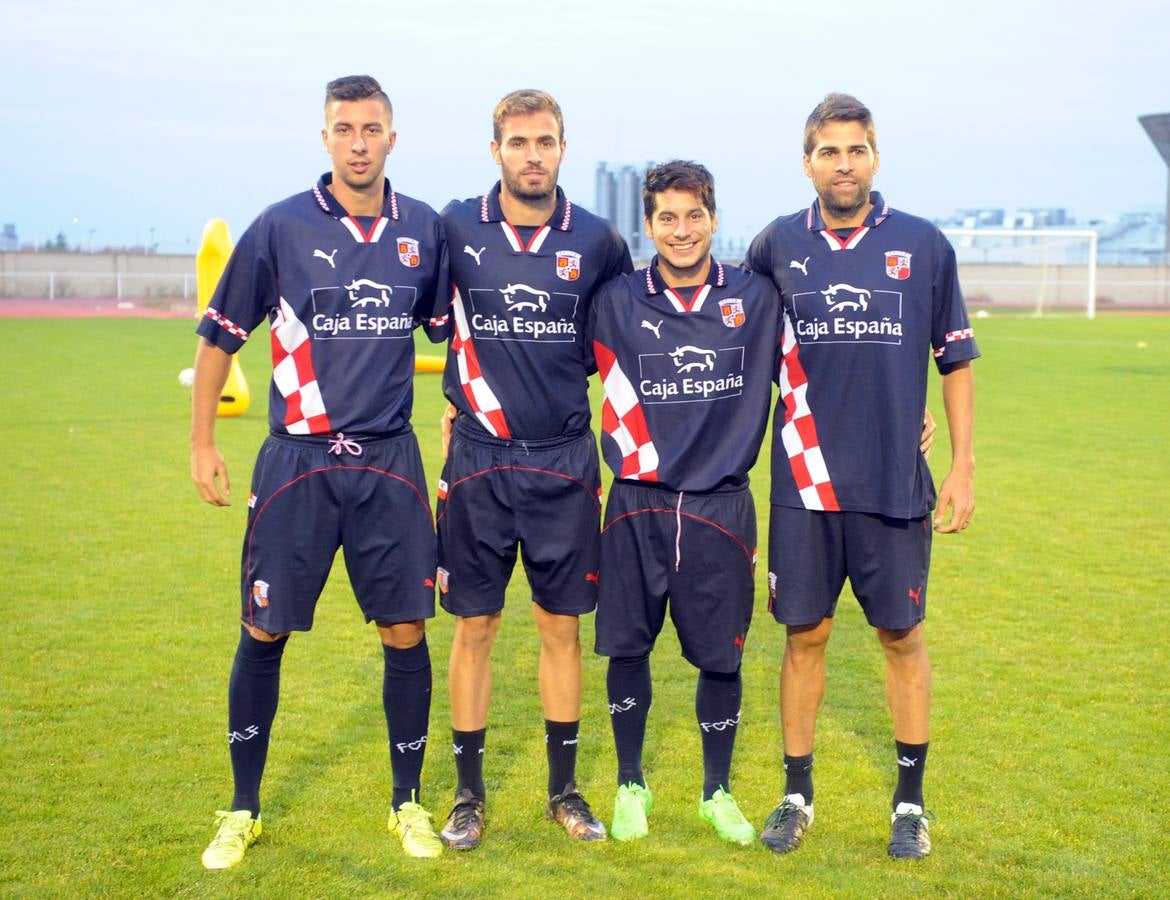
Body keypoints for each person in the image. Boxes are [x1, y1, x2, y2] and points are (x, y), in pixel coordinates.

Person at [190, 75, 451, 868]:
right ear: (327, 137)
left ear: (392, 138)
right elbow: (218, 339)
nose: (360, 142)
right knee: (263, 628)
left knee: (404, 629)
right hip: (297, 461)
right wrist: (203, 443)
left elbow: (458, 338)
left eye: (373, 128)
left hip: (388, 463)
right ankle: (241, 808)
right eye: (345, 128)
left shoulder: (424, 231)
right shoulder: (282, 226)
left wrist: (458, 411)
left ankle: (407, 802)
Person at [746, 92, 978, 860]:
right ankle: (795, 794)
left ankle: (910, 806)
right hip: (805, 483)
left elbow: (955, 360)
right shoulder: (776, 245)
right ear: (806, 160)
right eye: (827, 152)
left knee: (901, 636)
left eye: (855, 150)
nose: (842, 165)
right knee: (804, 635)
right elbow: (731, 345)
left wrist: (962, 465)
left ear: (875, 156)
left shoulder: (922, 243)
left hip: (891, 480)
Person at [433, 89, 632, 850]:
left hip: (564, 462)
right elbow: (401, 309)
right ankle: (469, 796)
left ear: (563, 148)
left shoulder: (600, 240)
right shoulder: (455, 227)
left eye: (545, 141)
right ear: (496, 152)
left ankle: (564, 791)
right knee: (475, 626)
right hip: (479, 461)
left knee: (560, 627)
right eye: (518, 142)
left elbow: (637, 335)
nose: (533, 155)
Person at [588, 161, 781, 845]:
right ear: (648, 225)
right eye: (667, 217)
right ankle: (631, 784)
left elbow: (823, 369)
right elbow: (538, 362)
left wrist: (913, 424)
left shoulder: (757, 298)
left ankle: (716, 792)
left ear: (714, 219)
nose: (681, 230)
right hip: (637, 501)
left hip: (719, 505)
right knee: (627, 648)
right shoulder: (612, 299)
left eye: (694, 215)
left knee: (721, 658)